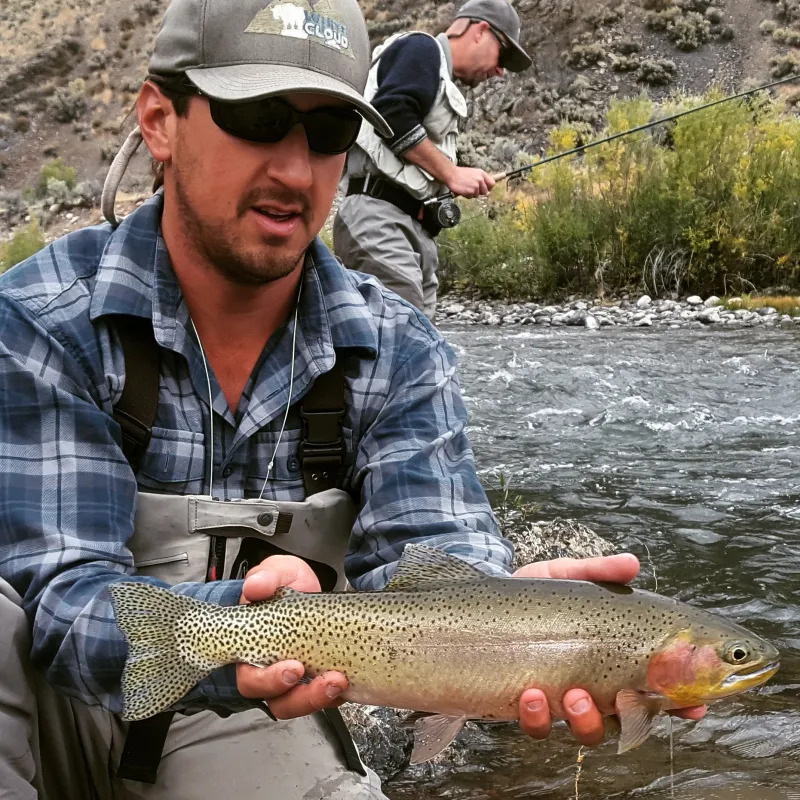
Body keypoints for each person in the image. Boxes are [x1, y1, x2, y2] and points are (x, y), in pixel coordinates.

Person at [0, 0, 706, 797]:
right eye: (258, 117)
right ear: (161, 120)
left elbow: (433, 549)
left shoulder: (399, 348)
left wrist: (511, 626)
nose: (297, 172)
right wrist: (231, 617)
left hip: (234, 713)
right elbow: (58, 601)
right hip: (34, 707)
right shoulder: (38, 317)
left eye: (329, 132)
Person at [333, 0, 532, 321]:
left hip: (410, 231)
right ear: (480, 31)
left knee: (416, 351)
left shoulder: (435, 74)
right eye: (503, 54)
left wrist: (454, 178)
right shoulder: (421, 49)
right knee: (403, 342)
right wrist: (452, 174)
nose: (500, 70)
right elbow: (391, 114)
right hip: (381, 223)